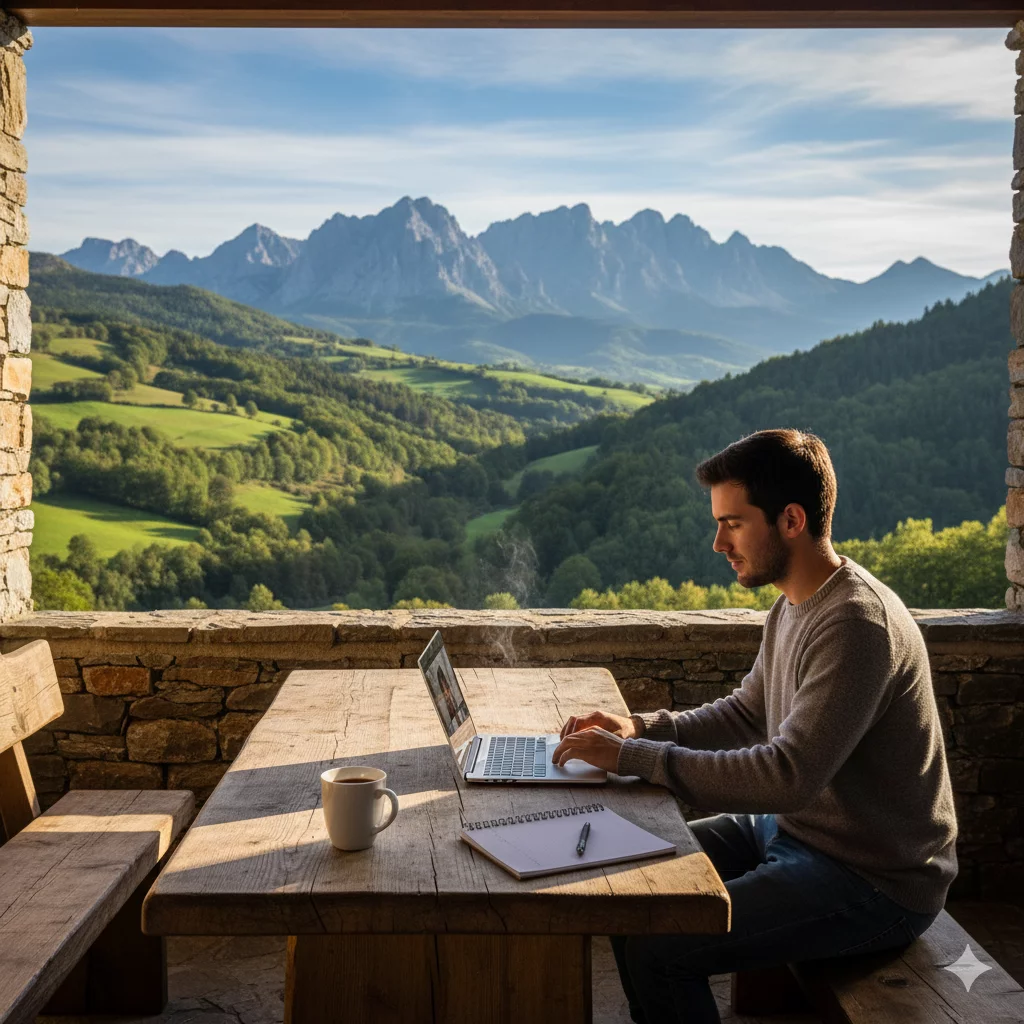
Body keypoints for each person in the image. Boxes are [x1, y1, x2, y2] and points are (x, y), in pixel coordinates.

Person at [550, 428, 957, 1024]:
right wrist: (637, 729)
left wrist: (633, 759)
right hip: (792, 834)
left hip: (873, 879)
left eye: (733, 523)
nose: (717, 543)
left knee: (659, 946)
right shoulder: (795, 603)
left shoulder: (856, 625)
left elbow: (789, 775)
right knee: (628, 896)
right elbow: (746, 712)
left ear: (791, 519)